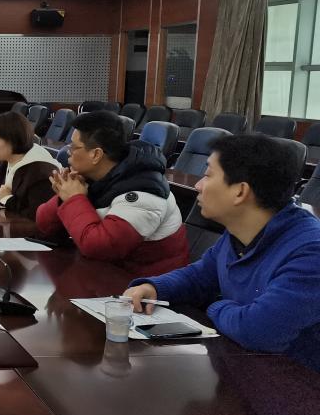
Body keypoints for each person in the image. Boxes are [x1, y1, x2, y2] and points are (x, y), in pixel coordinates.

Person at [123, 134, 320, 371]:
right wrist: (155, 288)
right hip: (245, 364)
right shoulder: (240, 231)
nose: (198, 185)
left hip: (297, 381)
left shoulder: (310, 250)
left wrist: (215, 306)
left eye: (208, 175)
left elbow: (259, 331)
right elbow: (200, 276)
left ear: (240, 192)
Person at [35, 110, 187, 275]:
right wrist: (63, 196)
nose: (68, 151)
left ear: (96, 154)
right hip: (107, 274)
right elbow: (44, 225)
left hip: (147, 283)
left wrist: (74, 198)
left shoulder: (143, 192)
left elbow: (99, 248)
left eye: (74, 147)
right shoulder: (94, 176)